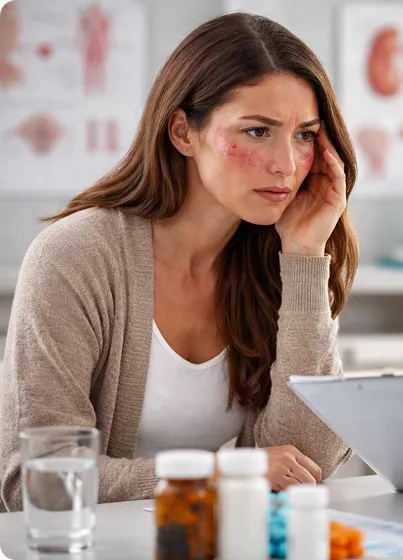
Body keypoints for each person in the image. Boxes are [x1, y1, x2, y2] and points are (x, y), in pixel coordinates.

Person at [0, 12, 358, 511]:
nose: (288, 165)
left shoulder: (281, 260)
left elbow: (303, 463)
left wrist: (303, 259)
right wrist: (221, 473)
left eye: (304, 135)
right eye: (258, 132)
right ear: (183, 133)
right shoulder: (75, 258)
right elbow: (34, 481)